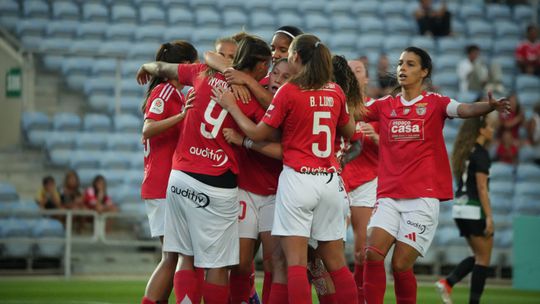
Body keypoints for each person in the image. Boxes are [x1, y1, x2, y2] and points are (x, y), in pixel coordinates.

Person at [211, 34, 358, 304]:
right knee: (336, 263)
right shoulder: (335, 91)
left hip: (298, 180)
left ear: (295, 58)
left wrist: (232, 107)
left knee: (294, 264)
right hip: (330, 180)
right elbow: (351, 132)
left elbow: (257, 131)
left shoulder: (290, 91)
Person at [361, 46, 510, 304]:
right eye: (400, 63)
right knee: (372, 254)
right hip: (388, 195)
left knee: (400, 265)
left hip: (421, 199)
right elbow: (354, 112)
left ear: (424, 72)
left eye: (410, 64)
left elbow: (463, 109)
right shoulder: (385, 104)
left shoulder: (435, 103)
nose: (402, 69)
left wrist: (488, 106)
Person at [136, 34, 272, 304]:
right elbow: (273, 127)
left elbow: (164, 68)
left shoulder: (201, 72)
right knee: (217, 265)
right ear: (259, 65)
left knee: (184, 257)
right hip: (217, 182)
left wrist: (148, 66)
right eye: (266, 65)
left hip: (180, 178)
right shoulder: (252, 97)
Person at [140, 40, 198, 304]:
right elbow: (148, 128)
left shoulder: (177, 94)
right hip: (161, 183)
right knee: (172, 255)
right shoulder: (165, 91)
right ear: (183, 66)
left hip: (167, 183)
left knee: (175, 254)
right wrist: (182, 117)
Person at [436, 113, 497, 304]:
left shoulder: (464, 151)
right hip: (473, 208)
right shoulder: (481, 154)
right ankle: (463, 293)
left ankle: (449, 281)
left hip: (459, 208)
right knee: (484, 259)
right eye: (490, 126)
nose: (493, 130)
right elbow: (481, 188)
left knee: (478, 256)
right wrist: (489, 217)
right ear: (481, 130)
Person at [343, 59, 379, 304]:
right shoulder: (335, 104)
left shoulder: (377, 108)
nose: (354, 75)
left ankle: (359, 298)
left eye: (359, 71)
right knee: (324, 248)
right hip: (336, 180)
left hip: (366, 181)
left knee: (361, 250)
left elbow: (394, 150)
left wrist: (375, 136)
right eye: (350, 71)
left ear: (366, 79)